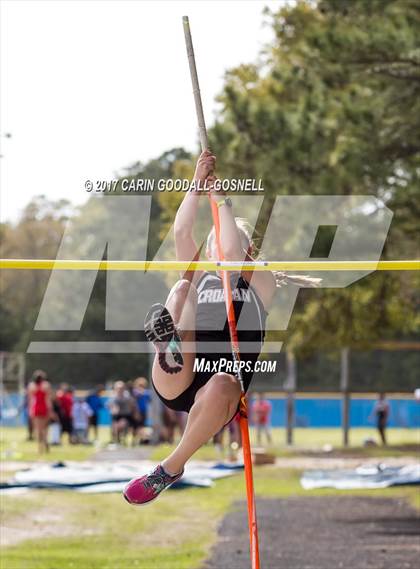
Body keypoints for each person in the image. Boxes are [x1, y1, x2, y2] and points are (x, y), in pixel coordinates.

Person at [124, 150, 319, 505]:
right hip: (181, 371)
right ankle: (166, 345)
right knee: (183, 287)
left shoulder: (260, 280)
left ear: (251, 250)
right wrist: (196, 185)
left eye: (227, 240)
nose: (217, 247)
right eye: (212, 243)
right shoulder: (204, 277)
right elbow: (182, 230)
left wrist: (221, 200)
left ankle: (169, 468)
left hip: (221, 387)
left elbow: (230, 251)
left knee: (222, 381)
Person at [27, 370, 52, 454]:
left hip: (36, 408)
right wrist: (50, 410)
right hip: (44, 407)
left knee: (38, 429)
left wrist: (30, 410)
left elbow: (30, 400)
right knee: (45, 428)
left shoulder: (31, 386)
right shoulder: (46, 385)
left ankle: (39, 448)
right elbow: (48, 400)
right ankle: (45, 442)